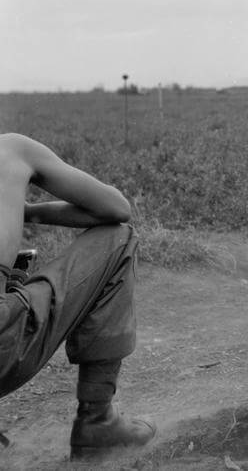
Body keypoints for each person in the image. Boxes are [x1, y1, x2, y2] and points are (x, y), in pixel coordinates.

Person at [0, 132, 156, 459]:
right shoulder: (10, 149)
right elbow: (114, 210)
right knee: (118, 240)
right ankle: (98, 421)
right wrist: (23, 208)